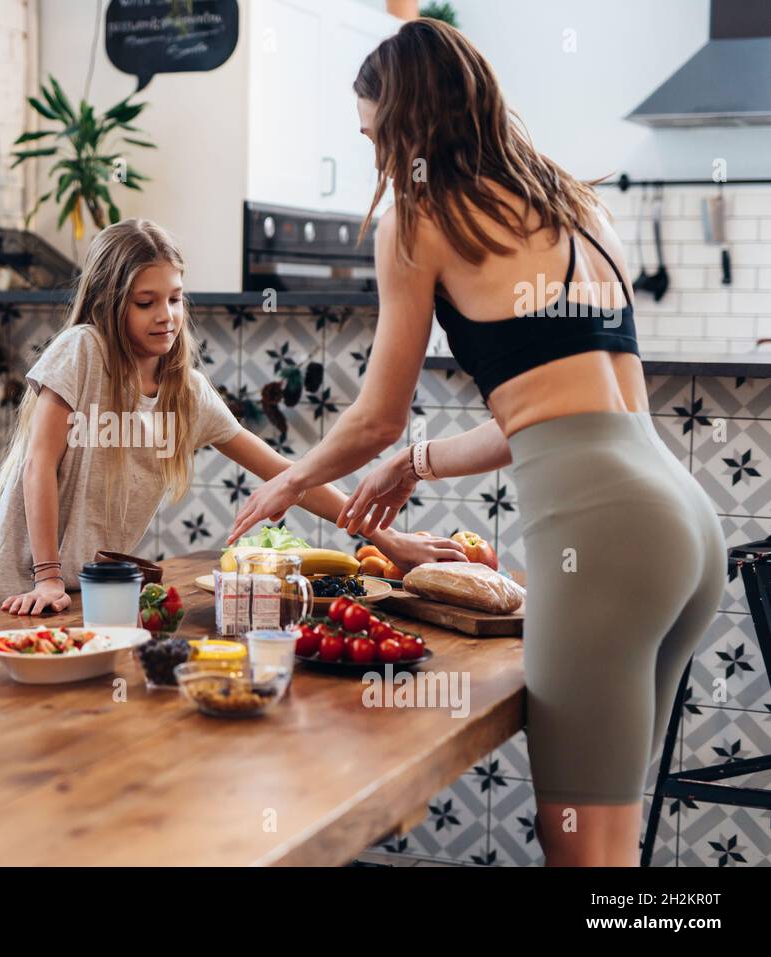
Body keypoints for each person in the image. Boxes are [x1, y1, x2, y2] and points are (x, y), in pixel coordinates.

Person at [227, 19, 724, 866]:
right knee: (615, 853)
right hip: (683, 530)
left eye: (375, 134)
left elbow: (377, 413)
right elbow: (554, 413)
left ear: (407, 122)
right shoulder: (576, 202)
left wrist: (286, 482)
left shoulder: (420, 221)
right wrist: (416, 461)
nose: (376, 157)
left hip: (603, 541)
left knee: (586, 861)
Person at [0, 218, 465, 613]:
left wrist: (389, 540)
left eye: (175, 299)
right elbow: (37, 465)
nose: (167, 316)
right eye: (146, 302)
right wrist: (46, 574)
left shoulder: (186, 393)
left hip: (79, 593)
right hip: (7, 585)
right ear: (111, 303)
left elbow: (291, 478)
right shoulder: (82, 351)